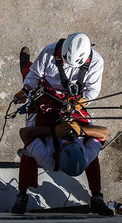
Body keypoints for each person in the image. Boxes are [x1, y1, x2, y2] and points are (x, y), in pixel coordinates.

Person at [11, 33, 112, 215]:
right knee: (32, 78)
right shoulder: (50, 52)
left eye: (66, 142)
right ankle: (97, 196)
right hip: (67, 100)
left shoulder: (49, 160)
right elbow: (104, 132)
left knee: (29, 152)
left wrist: (54, 130)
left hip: (62, 101)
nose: (68, 139)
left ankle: (22, 194)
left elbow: (26, 134)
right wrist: (80, 130)